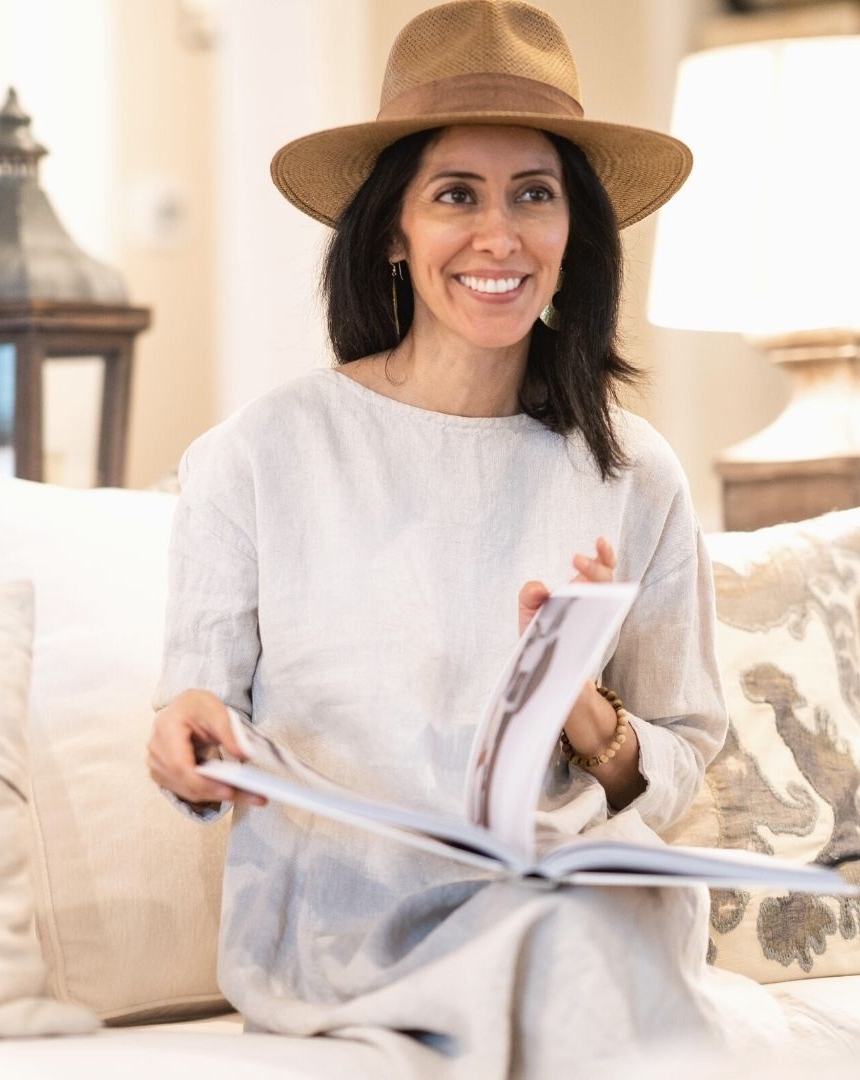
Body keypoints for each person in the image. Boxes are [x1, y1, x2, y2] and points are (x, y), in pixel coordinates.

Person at [147, 2, 789, 1076]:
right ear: (391, 231)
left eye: (534, 194)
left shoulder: (636, 472)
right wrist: (187, 737)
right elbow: (196, 718)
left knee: (599, 933)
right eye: (456, 194)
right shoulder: (257, 455)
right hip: (339, 928)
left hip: (568, 900)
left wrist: (587, 713)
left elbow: (678, 761)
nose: (501, 236)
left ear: (574, 232)